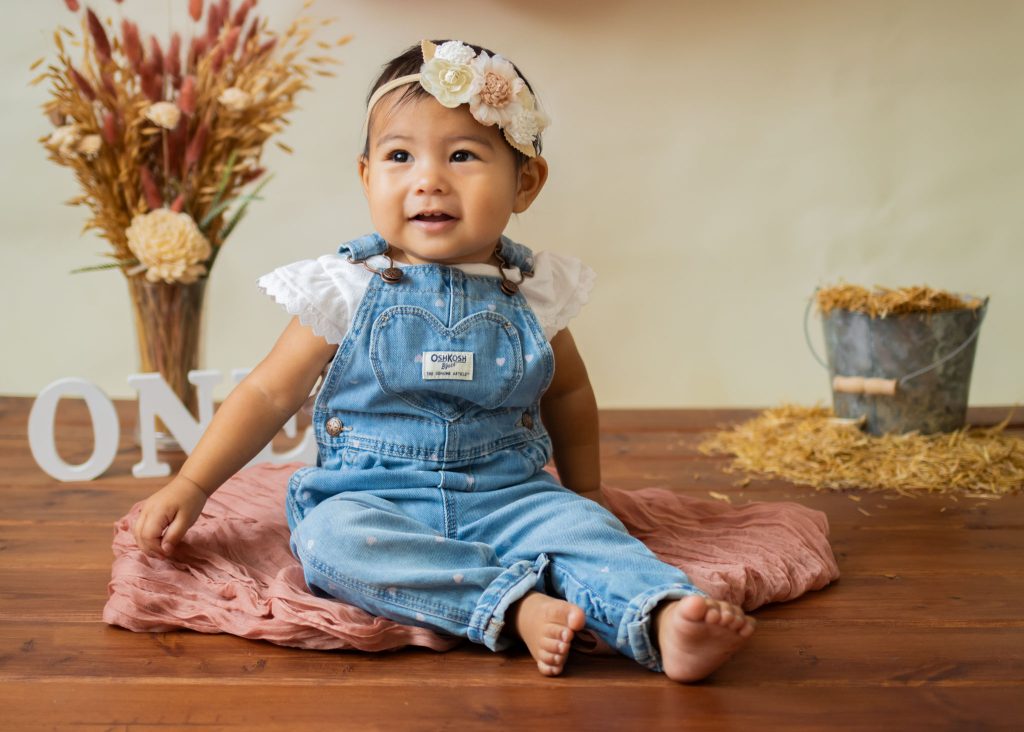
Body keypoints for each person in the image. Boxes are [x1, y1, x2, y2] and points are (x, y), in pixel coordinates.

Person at [132, 39, 755, 682]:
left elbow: (569, 393)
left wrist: (587, 493)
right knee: (327, 543)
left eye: (462, 155)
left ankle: (663, 617)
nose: (428, 179)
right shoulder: (346, 288)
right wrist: (194, 484)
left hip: (511, 496)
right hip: (374, 500)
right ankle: (512, 606)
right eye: (400, 156)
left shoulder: (535, 290)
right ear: (367, 176)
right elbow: (268, 394)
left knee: (588, 536)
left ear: (525, 183)